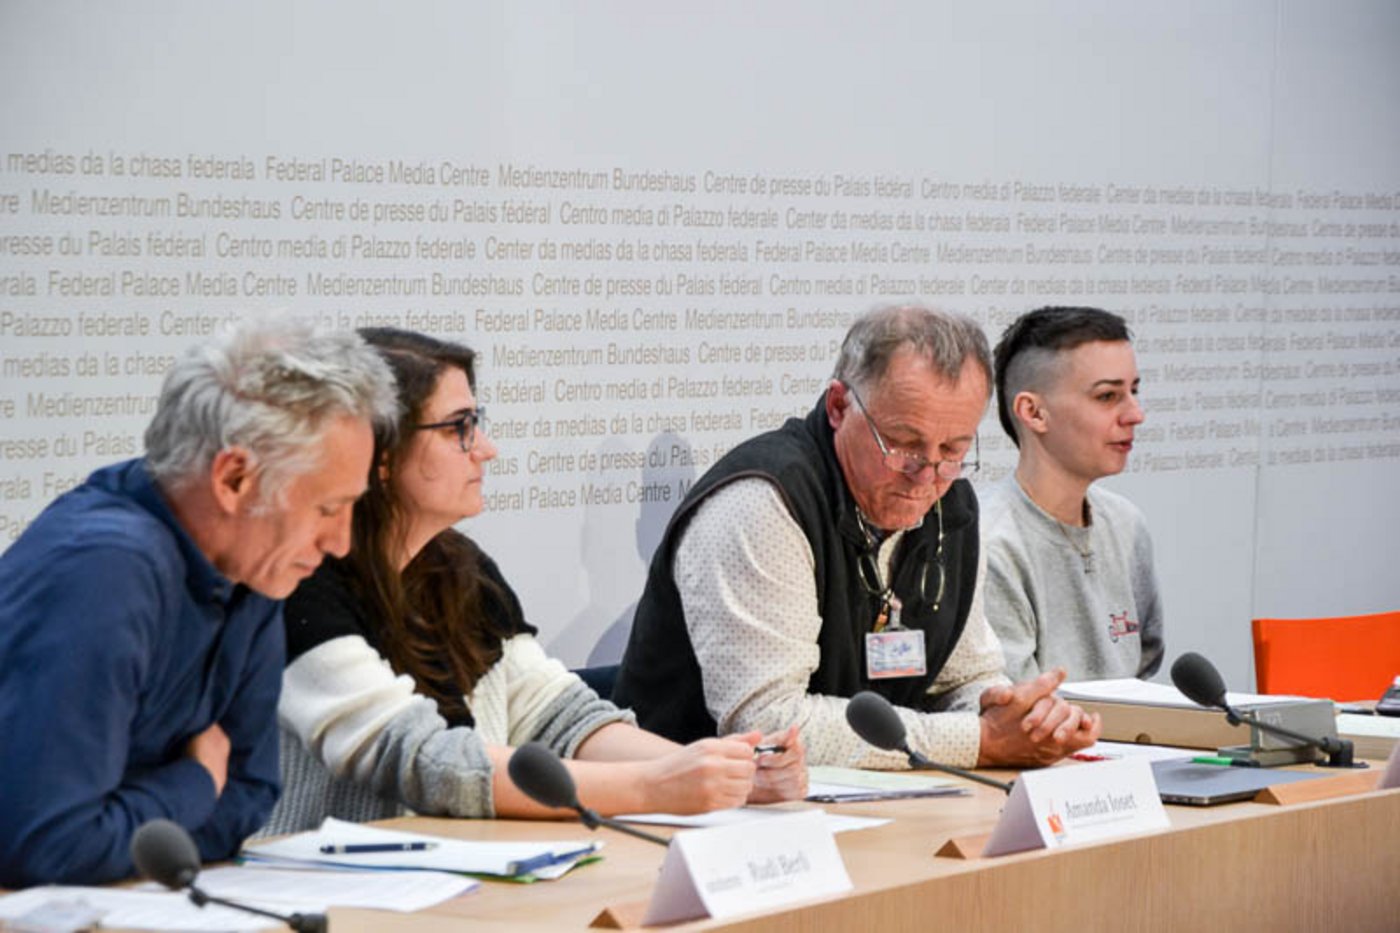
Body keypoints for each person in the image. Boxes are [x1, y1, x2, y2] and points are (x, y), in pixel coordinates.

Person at [263, 328, 805, 835]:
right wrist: (654, 786)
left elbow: (560, 716)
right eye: (458, 428)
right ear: (380, 455)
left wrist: (724, 774)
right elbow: (426, 763)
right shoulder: (299, 585)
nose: (485, 448)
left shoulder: (458, 570)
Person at [613, 306, 1100, 772]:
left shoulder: (949, 505)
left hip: (869, 799)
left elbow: (965, 677)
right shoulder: (763, 500)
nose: (925, 476)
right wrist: (981, 740)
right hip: (702, 815)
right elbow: (767, 723)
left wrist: (1023, 719)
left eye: (952, 449)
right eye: (903, 444)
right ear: (838, 406)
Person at [0, 317, 397, 887]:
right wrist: (195, 782)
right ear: (234, 478)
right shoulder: (104, 571)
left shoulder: (253, 568)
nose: (341, 543)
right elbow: (47, 846)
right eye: (328, 509)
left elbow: (249, 799)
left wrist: (145, 813)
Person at [981, 306, 1164, 682]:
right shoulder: (989, 542)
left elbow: (1143, 668)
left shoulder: (1126, 524)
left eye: (1133, 391)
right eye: (1107, 397)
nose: (1135, 414)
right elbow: (1016, 708)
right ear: (1033, 412)